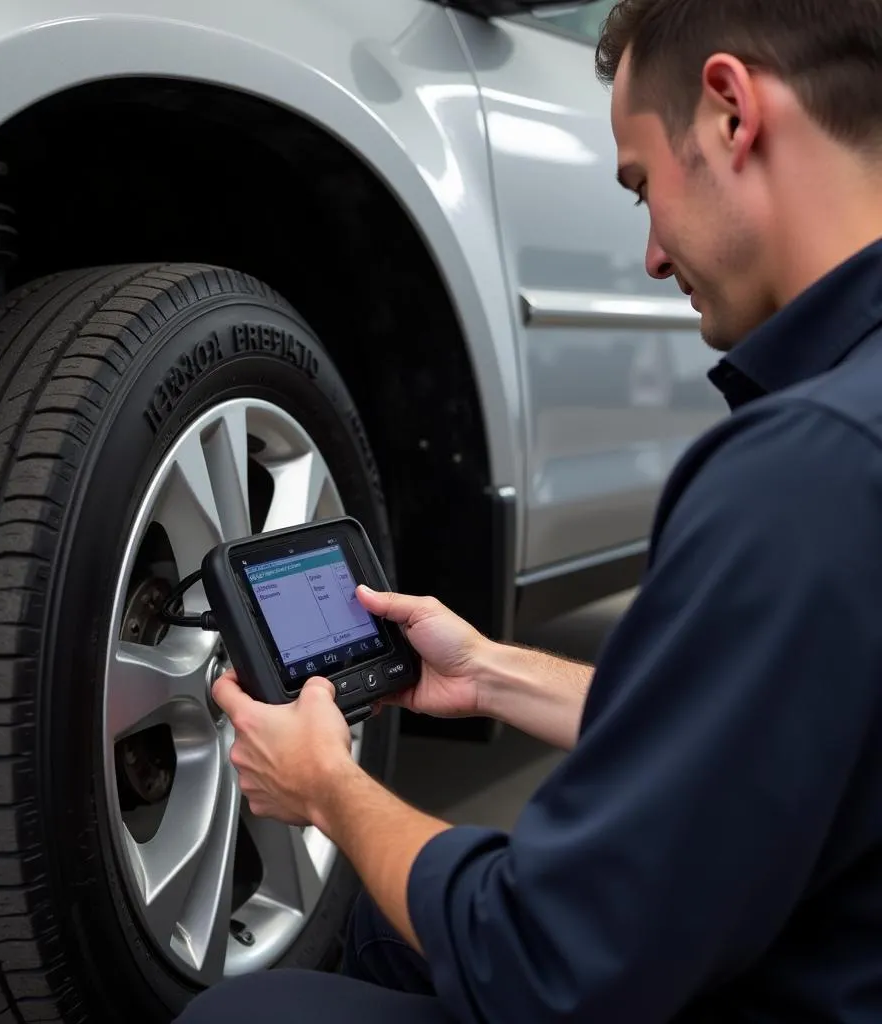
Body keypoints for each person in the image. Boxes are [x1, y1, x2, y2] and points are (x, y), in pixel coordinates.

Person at [177, 0, 882, 1020]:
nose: (648, 255)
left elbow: (552, 963)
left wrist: (328, 787)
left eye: (642, 186)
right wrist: (494, 675)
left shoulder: (804, 469)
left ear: (731, 111)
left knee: (238, 1016)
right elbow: (775, 729)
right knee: (381, 923)